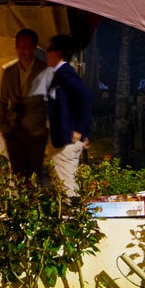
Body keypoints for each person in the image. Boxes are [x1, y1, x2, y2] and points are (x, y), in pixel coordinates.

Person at [0, 28, 50, 179]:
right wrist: (3, 125)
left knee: (33, 175)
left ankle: (32, 195)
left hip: (36, 131)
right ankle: (21, 195)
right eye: (20, 45)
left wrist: (47, 127)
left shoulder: (44, 70)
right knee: (18, 174)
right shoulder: (9, 71)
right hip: (13, 130)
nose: (23, 50)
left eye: (26, 46)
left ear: (34, 48)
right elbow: (2, 101)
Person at [45, 35, 92, 196]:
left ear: (57, 52)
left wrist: (80, 131)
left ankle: (75, 212)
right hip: (62, 139)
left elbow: (85, 98)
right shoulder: (61, 74)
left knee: (67, 190)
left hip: (65, 141)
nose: (46, 54)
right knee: (63, 187)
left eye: (48, 50)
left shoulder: (64, 74)